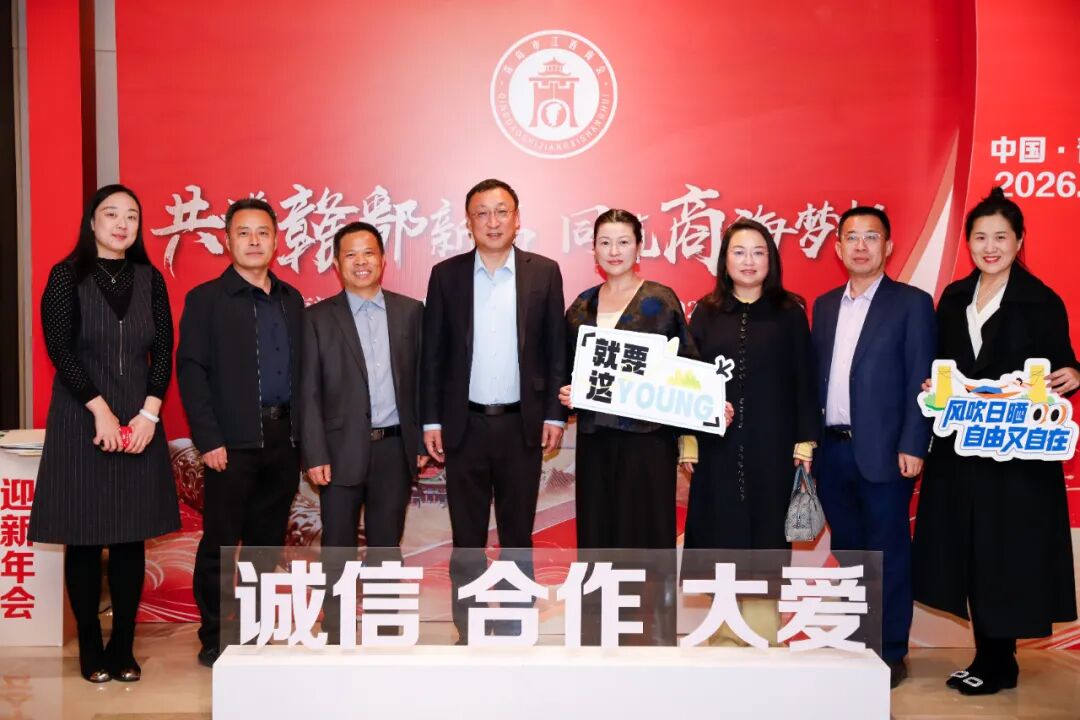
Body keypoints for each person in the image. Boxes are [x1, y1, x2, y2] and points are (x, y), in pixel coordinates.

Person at [913, 188, 1079, 695]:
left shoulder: (1041, 300)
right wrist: (934, 387)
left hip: (1015, 457)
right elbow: (941, 364)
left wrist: (1074, 374)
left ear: (1019, 241)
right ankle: (988, 656)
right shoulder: (953, 298)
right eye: (980, 237)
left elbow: (1064, 362)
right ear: (967, 243)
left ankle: (998, 662)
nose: (990, 247)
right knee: (966, 550)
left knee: (1006, 554)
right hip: (961, 450)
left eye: (1001, 237)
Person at [29, 184, 179, 683]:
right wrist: (99, 410)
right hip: (81, 419)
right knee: (86, 537)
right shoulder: (66, 276)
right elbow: (59, 348)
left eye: (131, 216)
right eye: (111, 214)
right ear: (91, 222)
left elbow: (164, 352)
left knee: (131, 537)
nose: (121, 223)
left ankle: (123, 647)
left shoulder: (150, 279)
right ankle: (91, 647)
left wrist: (148, 415)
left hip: (138, 421)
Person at [420, 178, 566, 642]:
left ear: (517, 218)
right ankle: (469, 625)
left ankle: (516, 620)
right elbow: (433, 354)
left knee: (517, 532)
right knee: (467, 534)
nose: (493, 221)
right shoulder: (446, 276)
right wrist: (432, 419)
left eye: (502, 211)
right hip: (464, 424)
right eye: (481, 213)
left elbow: (555, 349)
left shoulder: (544, 272)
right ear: (468, 223)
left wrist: (554, 414)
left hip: (523, 425)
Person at [811, 206, 936, 687]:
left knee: (888, 554)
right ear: (838, 247)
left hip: (887, 452)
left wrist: (914, 443)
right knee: (848, 553)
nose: (860, 246)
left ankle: (889, 651)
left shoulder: (911, 303)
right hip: (833, 451)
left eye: (871, 237)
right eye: (851, 237)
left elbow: (920, 377)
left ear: (888, 247)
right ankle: (857, 643)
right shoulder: (824, 305)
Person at [177, 198, 305, 667]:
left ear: (276, 241)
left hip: (284, 440)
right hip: (229, 444)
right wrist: (209, 439)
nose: (254, 241)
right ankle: (214, 635)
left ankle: (253, 630)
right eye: (244, 233)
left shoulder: (291, 300)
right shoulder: (206, 299)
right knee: (220, 543)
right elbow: (192, 371)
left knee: (264, 546)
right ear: (228, 240)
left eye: (263, 233)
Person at [299, 221, 425, 642]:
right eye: (350, 254)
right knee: (338, 547)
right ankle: (336, 630)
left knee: (387, 545)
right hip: (338, 451)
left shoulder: (410, 312)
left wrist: (419, 439)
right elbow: (308, 391)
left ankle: (385, 629)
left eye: (368, 252)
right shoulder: (317, 319)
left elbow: (422, 381)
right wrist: (314, 453)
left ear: (383, 260)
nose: (361, 262)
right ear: (337, 264)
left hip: (394, 448)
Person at [560, 208, 706, 550]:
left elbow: (687, 367)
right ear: (594, 250)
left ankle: (649, 591)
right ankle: (602, 588)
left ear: (639, 248)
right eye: (605, 243)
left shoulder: (661, 300)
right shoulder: (581, 306)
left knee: (645, 531)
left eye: (623, 242)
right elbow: (565, 368)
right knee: (599, 532)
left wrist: (703, 413)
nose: (614, 251)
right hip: (595, 439)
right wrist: (566, 392)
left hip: (649, 441)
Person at [683, 218, 818, 552]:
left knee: (767, 534)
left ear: (771, 259)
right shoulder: (705, 312)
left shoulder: (790, 312)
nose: (748, 261)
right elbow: (688, 378)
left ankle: (764, 590)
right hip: (716, 445)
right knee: (715, 530)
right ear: (724, 260)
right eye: (739, 252)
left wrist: (805, 441)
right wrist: (688, 439)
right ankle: (720, 590)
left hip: (774, 446)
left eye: (758, 252)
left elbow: (804, 378)